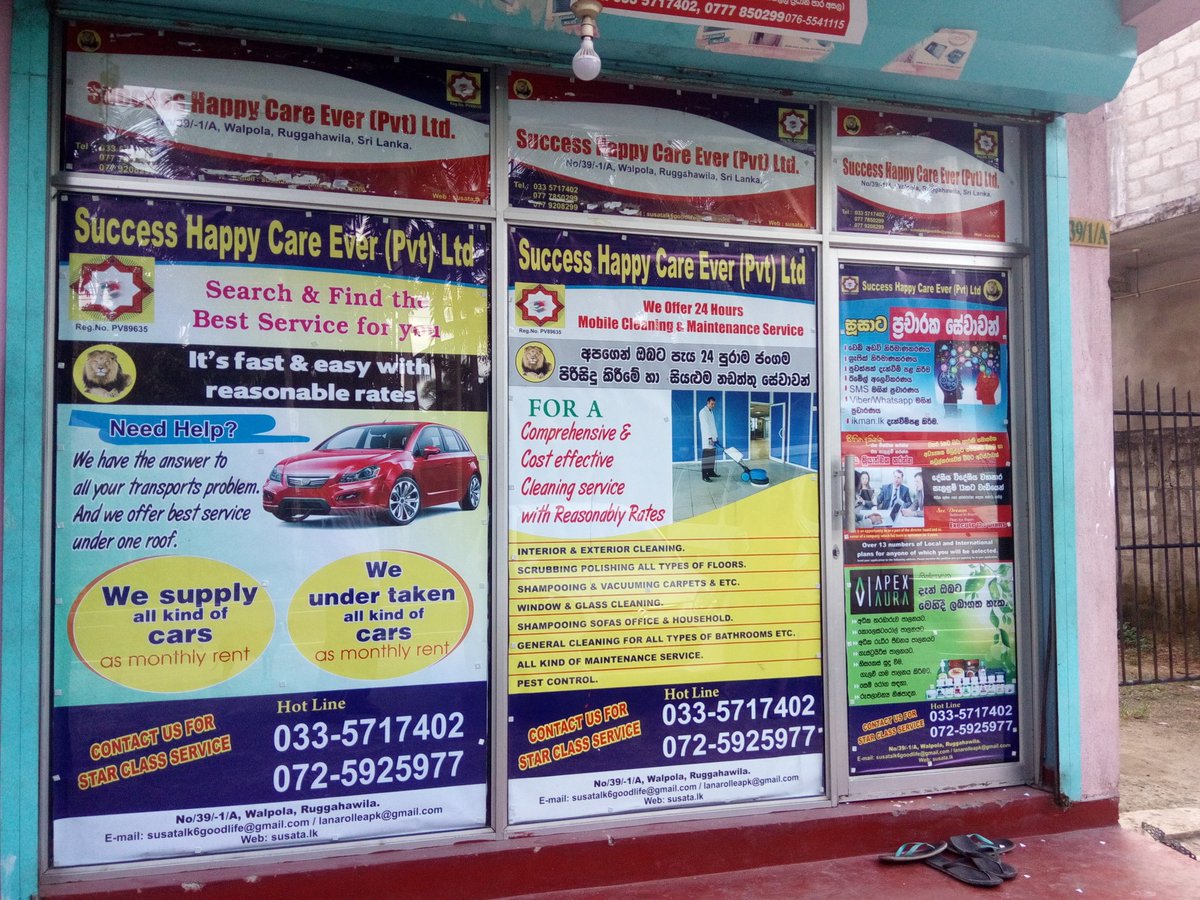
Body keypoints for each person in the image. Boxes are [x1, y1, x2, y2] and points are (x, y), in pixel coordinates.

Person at [698, 396, 719, 482]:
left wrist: (716, 437)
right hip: (708, 439)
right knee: (706, 458)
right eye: (712, 404)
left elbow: (713, 426)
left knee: (712, 457)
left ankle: (711, 472)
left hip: (713, 438)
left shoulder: (711, 412)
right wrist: (710, 438)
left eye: (714, 404)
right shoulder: (703, 412)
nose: (713, 406)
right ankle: (705, 476)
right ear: (707, 402)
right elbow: (705, 426)